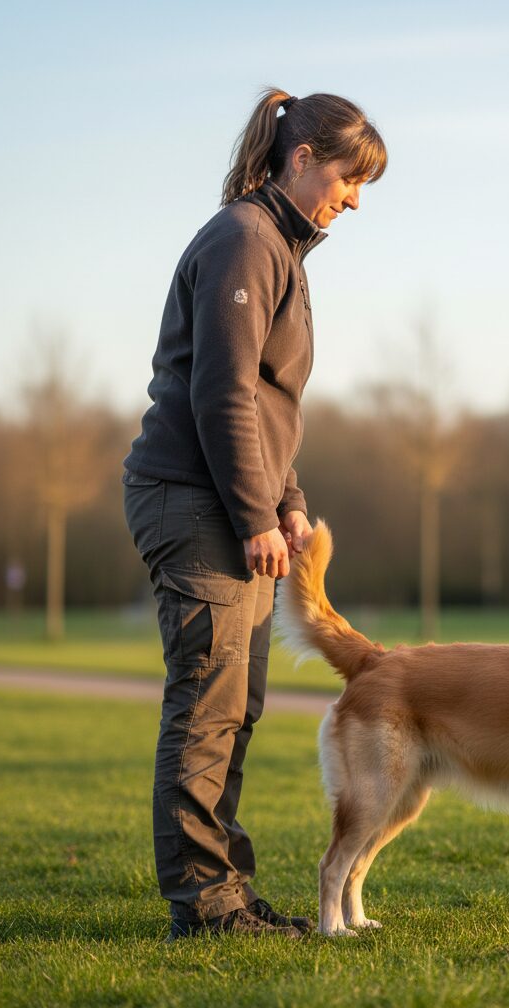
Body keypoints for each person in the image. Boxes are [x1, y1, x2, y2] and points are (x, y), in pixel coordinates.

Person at [122, 88, 387, 940]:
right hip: (193, 500)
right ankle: (203, 907)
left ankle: (226, 892)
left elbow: (271, 408)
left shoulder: (280, 248)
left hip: (226, 502)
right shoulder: (244, 239)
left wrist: (292, 503)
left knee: (237, 707)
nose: (353, 201)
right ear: (302, 157)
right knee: (206, 707)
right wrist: (253, 515)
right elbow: (221, 394)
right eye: (349, 180)